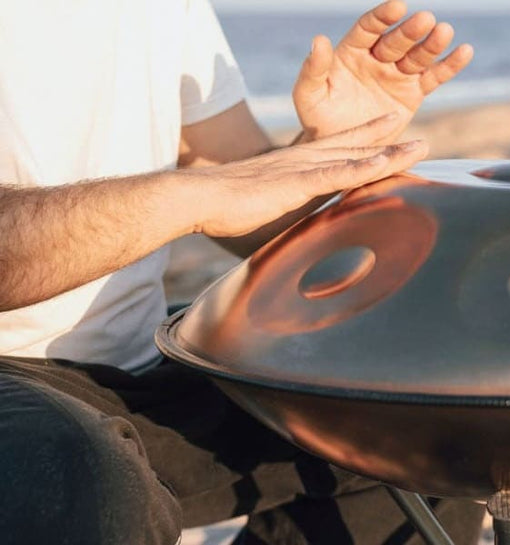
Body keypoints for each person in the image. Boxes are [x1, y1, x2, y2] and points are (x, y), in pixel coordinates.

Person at [0, 1, 483, 543]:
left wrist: (326, 149)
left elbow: (236, 196)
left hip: (144, 360)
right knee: (74, 476)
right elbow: (210, 194)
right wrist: (196, 197)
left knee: (432, 407)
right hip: (18, 393)